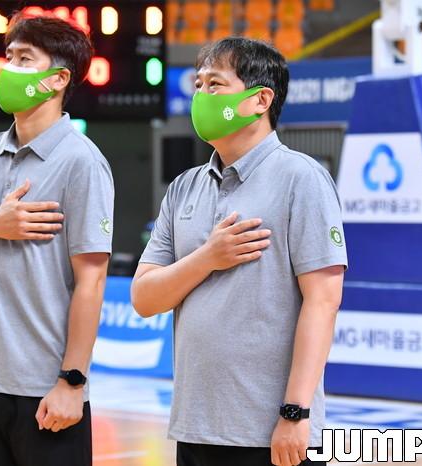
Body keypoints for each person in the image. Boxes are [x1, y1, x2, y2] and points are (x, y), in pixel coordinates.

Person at [131, 37, 348, 466]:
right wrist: (208, 257)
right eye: (198, 84)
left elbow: (324, 301)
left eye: (215, 84)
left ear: (260, 100)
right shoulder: (183, 187)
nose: (201, 95)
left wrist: (296, 411)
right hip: (195, 426)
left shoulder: (301, 178)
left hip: (270, 431)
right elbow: (144, 298)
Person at [0, 13, 113, 466]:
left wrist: (72, 381)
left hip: (43, 388)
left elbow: (91, 281)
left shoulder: (82, 162)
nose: (8, 67)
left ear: (58, 79)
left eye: (25, 59)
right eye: (8, 56)